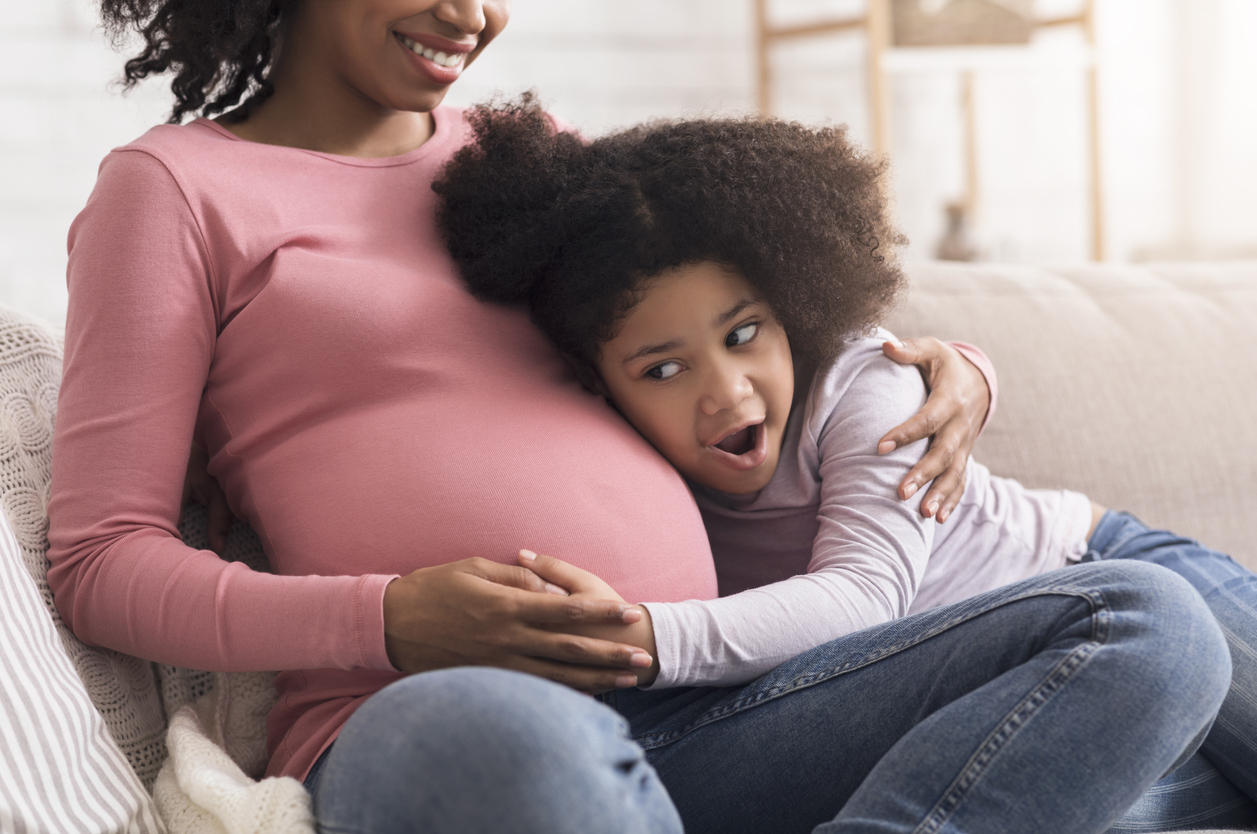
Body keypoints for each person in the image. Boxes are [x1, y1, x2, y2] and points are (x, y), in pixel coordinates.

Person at [45, 2, 1230, 833]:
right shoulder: (174, 192)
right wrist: (395, 619)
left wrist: (960, 367)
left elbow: (759, 320)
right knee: (510, 740)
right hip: (429, 707)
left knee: (1148, 623)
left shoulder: (524, 160)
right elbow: (101, 563)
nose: (476, 14)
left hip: (732, 700)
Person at [433, 98, 1257, 832]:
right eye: (663, 369)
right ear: (599, 387)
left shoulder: (859, 380)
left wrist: (641, 638)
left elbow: (865, 597)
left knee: (1157, 670)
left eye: (743, 333)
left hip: (1095, 565)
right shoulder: (614, 464)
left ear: (791, 305)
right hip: (1003, 692)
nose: (725, 391)